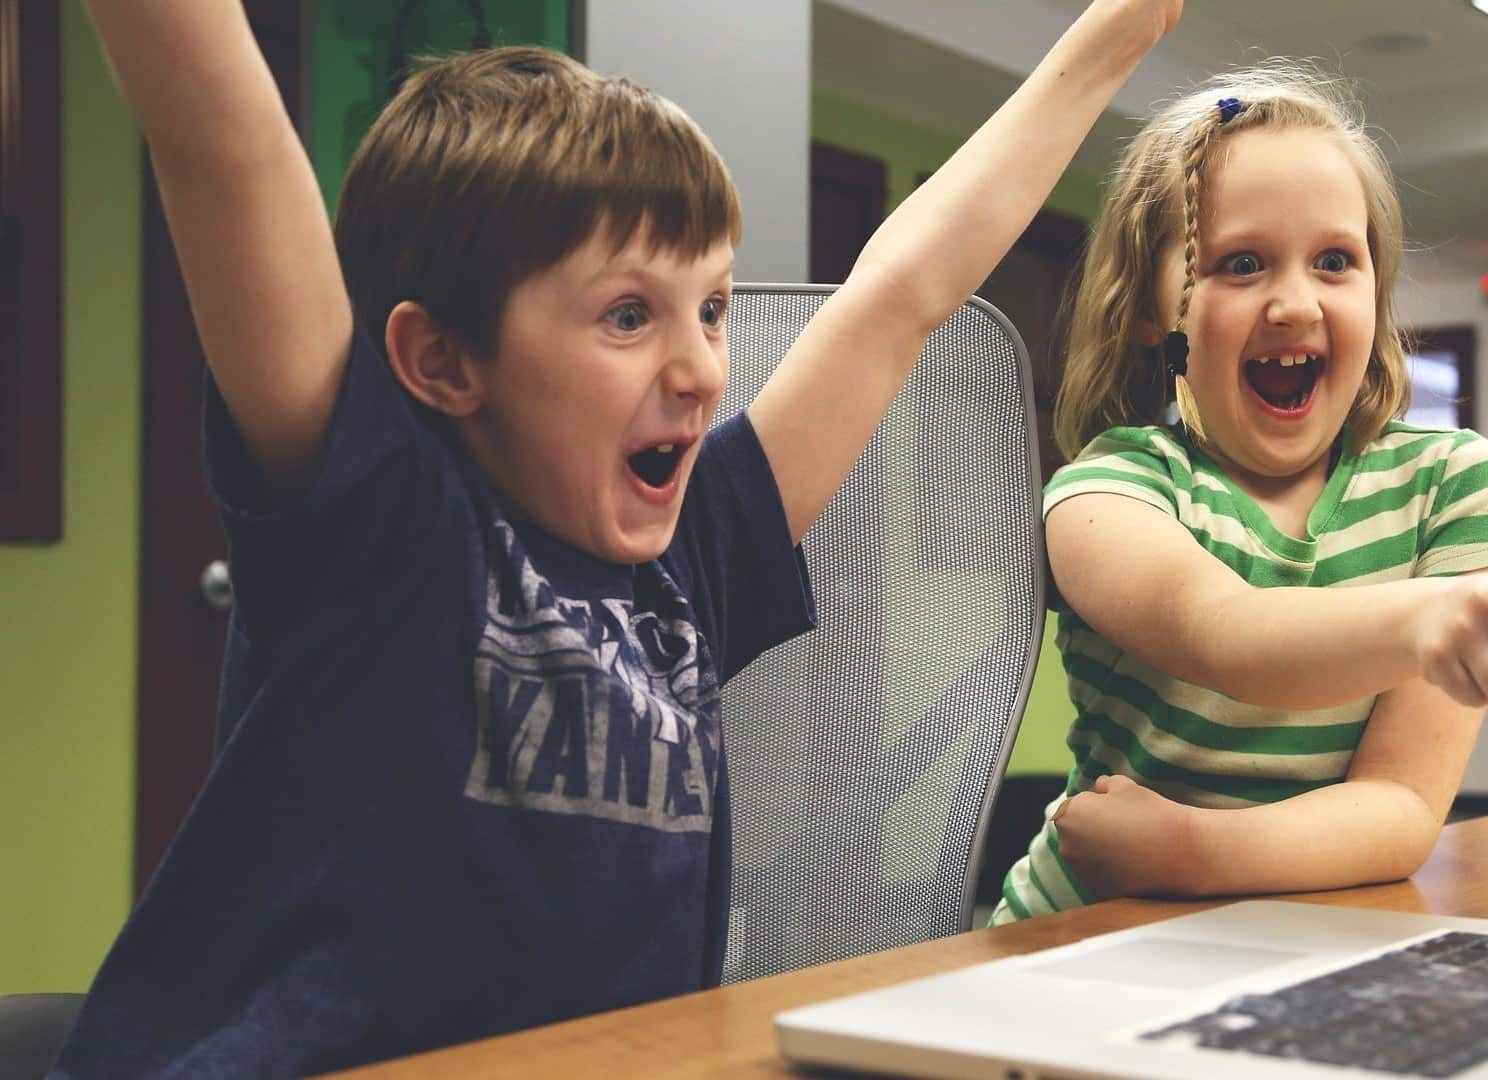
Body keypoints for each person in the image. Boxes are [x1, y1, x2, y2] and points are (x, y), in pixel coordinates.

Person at [60, 1, 1179, 1074]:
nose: (700, 369)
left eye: (711, 307)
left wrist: (1121, 24)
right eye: (628, 316)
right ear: (443, 363)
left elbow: (903, 290)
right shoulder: (378, 511)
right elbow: (223, 143)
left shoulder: (699, 547)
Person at [991, 60, 1488, 924]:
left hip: (1294, 933)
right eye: (1242, 263)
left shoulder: (1456, 484)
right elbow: (1231, 636)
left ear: (1376, 288)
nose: (1295, 303)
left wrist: (1192, 854)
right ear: (1150, 308)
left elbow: (1403, 807)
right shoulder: (1106, 492)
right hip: (1085, 932)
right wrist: (1433, 618)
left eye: (1336, 261)